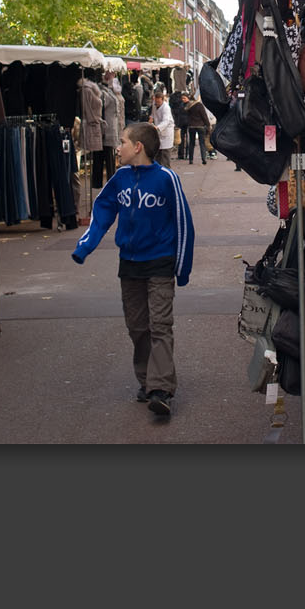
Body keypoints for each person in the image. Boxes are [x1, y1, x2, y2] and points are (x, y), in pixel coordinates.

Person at [71, 124, 195, 417]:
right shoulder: (120, 178)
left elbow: (183, 222)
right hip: (129, 264)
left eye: (123, 142)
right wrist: (85, 246)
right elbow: (103, 209)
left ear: (138, 147)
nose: (118, 147)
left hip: (160, 263)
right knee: (138, 327)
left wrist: (182, 268)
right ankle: (146, 379)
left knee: (160, 325)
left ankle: (161, 388)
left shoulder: (167, 179)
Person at [179, 90, 211, 165]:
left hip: (191, 126)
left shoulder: (188, 106)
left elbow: (185, 115)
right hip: (200, 126)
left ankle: (191, 159)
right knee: (202, 143)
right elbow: (204, 116)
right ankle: (203, 158)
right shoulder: (199, 105)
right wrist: (208, 125)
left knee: (191, 143)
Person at [149, 89, 175, 169]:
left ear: (162, 100)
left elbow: (166, 121)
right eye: (156, 102)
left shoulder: (166, 108)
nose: (157, 104)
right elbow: (153, 114)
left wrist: (157, 127)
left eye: (159, 102)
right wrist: (151, 119)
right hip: (158, 133)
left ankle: (167, 173)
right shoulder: (154, 104)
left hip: (166, 133)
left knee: (165, 157)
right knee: (158, 155)